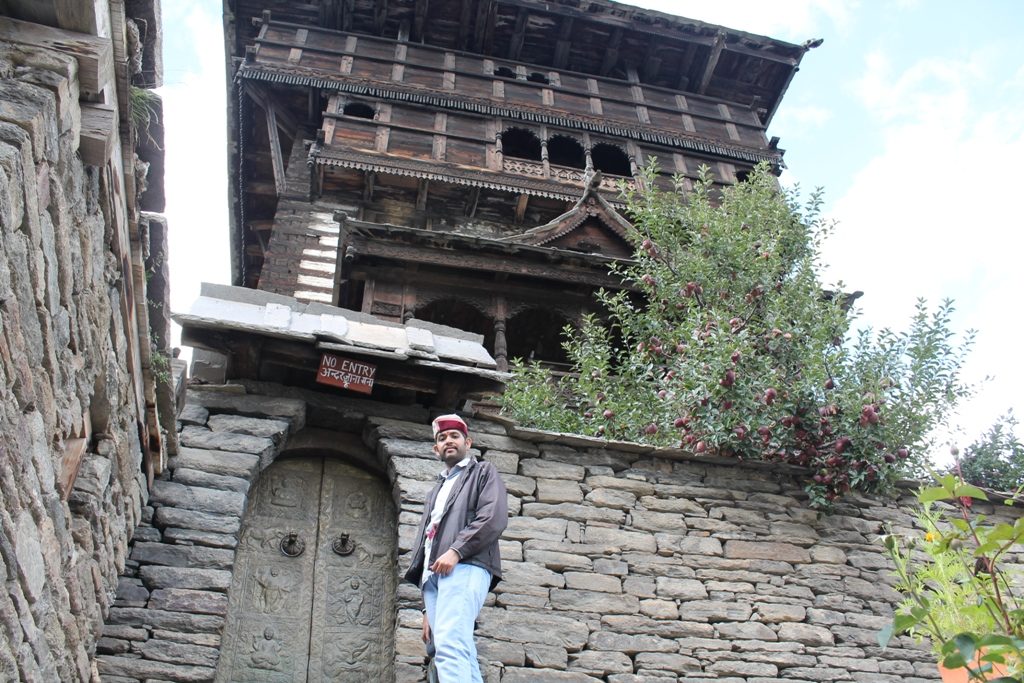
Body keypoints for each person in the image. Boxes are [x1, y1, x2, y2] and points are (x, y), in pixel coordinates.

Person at [404, 414, 508, 683]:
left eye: (454, 436)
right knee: (453, 648)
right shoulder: (435, 491)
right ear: (435, 448)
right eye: (442, 438)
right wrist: (427, 608)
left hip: (466, 565)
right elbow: (428, 543)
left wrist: (457, 551)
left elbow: (493, 517)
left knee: (451, 644)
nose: (448, 441)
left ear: (467, 442)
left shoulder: (483, 472)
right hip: (435, 578)